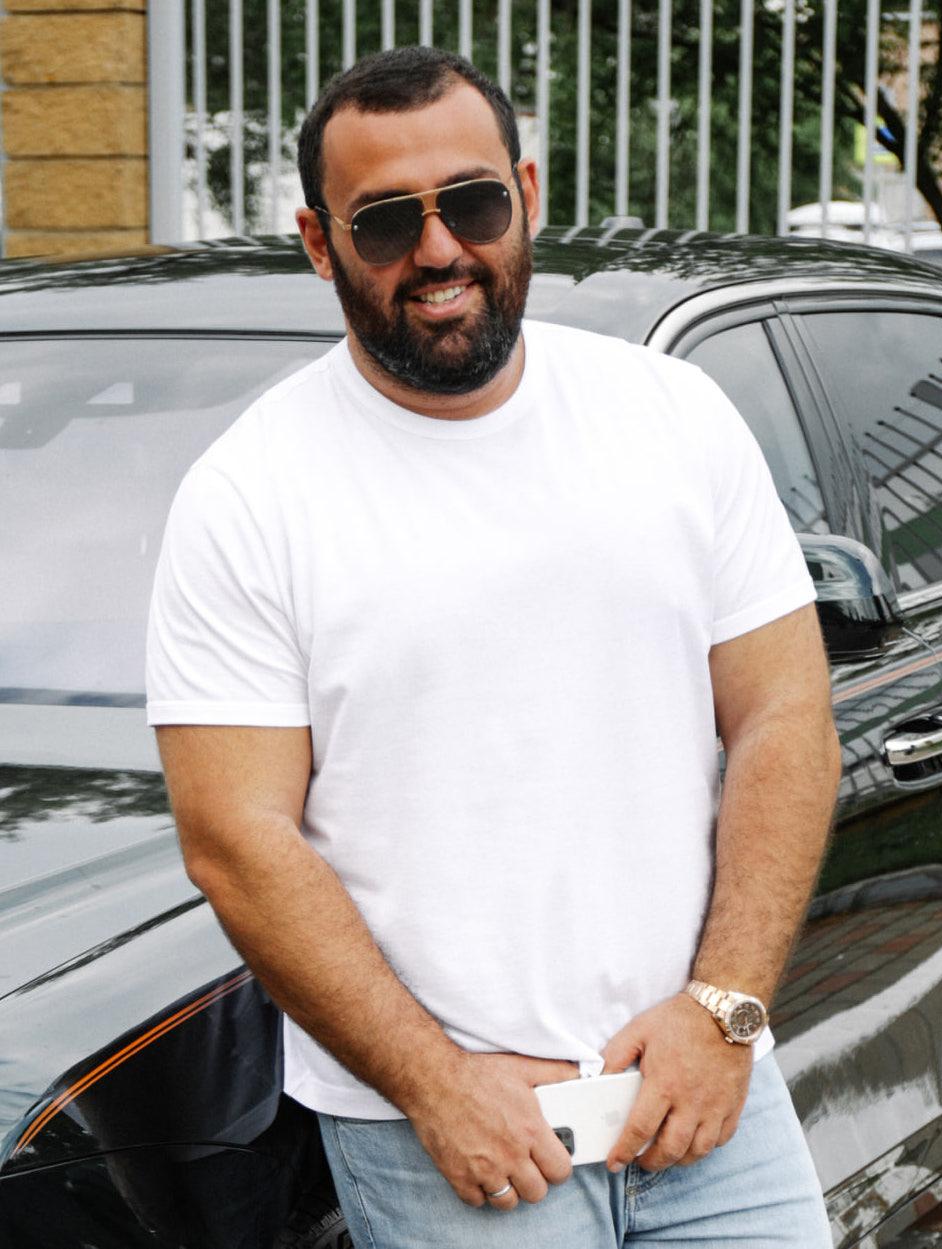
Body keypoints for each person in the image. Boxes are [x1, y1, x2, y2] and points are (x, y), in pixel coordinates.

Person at [146, 45, 842, 1248]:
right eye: (384, 223)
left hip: (706, 1096)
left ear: (523, 192)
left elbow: (783, 712)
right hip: (451, 1141)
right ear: (318, 243)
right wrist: (434, 1083)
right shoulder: (249, 495)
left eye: (469, 203)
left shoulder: (669, 417)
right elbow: (235, 837)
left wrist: (724, 1009)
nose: (437, 250)